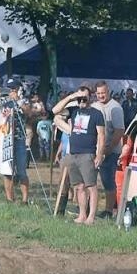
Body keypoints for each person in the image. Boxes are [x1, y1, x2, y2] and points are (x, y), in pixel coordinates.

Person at [54, 86, 103, 224]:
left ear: (90, 97)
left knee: (91, 186)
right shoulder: (73, 110)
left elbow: (101, 135)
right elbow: (55, 111)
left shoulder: (96, 114)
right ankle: (81, 215)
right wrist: (71, 97)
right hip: (73, 153)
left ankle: (91, 217)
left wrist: (99, 154)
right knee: (79, 187)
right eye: (80, 98)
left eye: (85, 97)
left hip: (88, 154)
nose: (82, 100)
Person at [0, 77, 31, 204]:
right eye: (9, 88)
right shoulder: (4, 100)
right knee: (7, 170)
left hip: (20, 139)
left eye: (13, 88)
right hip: (6, 138)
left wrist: (18, 100)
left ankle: (25, 200)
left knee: (21, 171)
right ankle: (9, 198)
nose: (10, 91)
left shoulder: (23, 100)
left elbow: (28, 111)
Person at [90, 81, 124, 218]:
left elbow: (119, 131)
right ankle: (88, 207)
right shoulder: (93, 106)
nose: (100, 96)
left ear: (108, 91)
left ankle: (109, 210)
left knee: (107, 181)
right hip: (94, 150)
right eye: (98, 93)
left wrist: (107, 150)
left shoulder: (115, 108)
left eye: (103, 93)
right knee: (90, 180)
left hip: (111, 151)